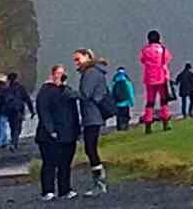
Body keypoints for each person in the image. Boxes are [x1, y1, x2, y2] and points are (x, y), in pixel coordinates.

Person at [35, 64, 80, 201]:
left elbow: (74, 111)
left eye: (63, 73)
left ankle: (65, 189)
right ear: (52, 74)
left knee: (65, 163)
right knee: (49, 162)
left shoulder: (66, 90)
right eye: (58, 73)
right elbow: (43, 111)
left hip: (68, 133)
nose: (60, 76)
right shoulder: (45, 91)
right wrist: (50, 130)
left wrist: (77, 130)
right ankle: (48, 191)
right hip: (49, 135)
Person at [73, 49, 110, 195]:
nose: (76, 62)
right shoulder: (93, 72)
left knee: (90, 148)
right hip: (92, 116)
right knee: (90, 148)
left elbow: (85, 94)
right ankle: (99, 182)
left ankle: (100, 183)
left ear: (88, 57)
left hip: (92, 116)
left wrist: (67, 93)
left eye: (78, 59)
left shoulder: (91, 73)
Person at [139, 30, 174, 134]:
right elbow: (167, 60)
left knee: (150, 102)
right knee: (164, 101)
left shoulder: (145, 50)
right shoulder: (162, 50)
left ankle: (148, 124)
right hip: (161, 77)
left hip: (149, 78)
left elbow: (142, 60)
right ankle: (166, 122)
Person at [4, 71, 34, 152]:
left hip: (10, 111)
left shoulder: (7, 89)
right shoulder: (21, 88)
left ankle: (14, 143)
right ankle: (14, 143)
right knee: (18, 128)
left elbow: (3, 102)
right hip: (19, 110)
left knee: (12, 127)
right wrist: (32, 111)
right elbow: (27, 99)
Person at [110, 66, 135, 130]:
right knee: (126, 115)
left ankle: (119, 127)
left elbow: (112, 92)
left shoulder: (114, 81)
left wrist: (112, 102)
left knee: (119, 116)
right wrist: (132, 102)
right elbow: (130, 92)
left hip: (117, 103)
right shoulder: (127, 80)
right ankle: (125, 127)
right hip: (126, 102)